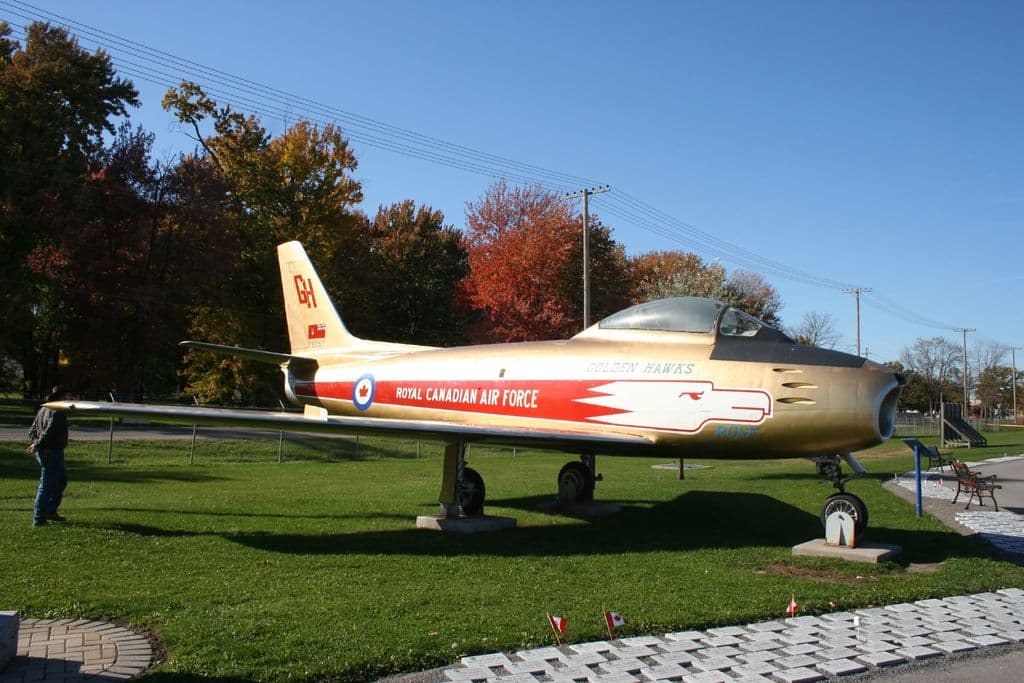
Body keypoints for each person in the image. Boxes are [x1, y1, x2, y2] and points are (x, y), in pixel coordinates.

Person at [27, 386, 71, 527]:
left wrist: (36, 444)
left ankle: (50, 511)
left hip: (49, 451)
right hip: (50, 452)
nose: (71, 399)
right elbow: (49, 431)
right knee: (46, 485)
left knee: (61, 481)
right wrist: (38, 445)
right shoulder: (58, 411)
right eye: (69, 395)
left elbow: (32, 431)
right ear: (62, 397)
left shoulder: (44, 408)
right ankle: (39, 518)